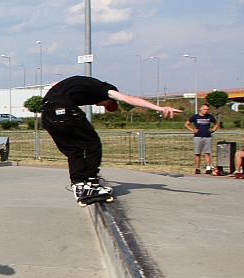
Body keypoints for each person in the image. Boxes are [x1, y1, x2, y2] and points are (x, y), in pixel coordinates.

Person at [42, 76, 180, 201]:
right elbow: (129, 99)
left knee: (73, 151)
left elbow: (54, 83)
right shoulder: (105, 90)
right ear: (109, 98)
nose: (99, 104)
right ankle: (92, 182)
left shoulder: (76, 84)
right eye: (106, 103)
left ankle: (78, 184)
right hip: (66, 112)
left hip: (47, 114)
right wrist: (159, 108)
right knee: (93, 145)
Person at [183, 104, 219, 174]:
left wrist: (213, 130)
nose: (206, 111)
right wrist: (192, 130)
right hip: (198, 136)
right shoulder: (195, 117)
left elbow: (216, 124)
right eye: (205, 109)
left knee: (207, 153)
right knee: (197, 153)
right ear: (201, 109)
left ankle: (208, 168)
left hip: (207, 136)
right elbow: (187, 124)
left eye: (207, 109)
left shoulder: (210, 117)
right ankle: (197, 168)